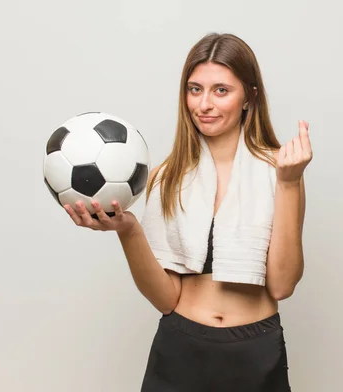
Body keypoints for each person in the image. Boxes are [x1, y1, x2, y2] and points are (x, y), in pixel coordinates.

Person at [64, 32, 312, 392]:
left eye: (221, 90)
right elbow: (165, 298)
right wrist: (129, 231)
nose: (204, 104)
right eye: (195, 89)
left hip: (254, 352)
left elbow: (282, 284)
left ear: (250, 97)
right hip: (180, 349)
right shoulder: (169, 176)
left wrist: (289, 184)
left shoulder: (281, 169)